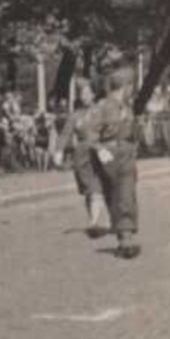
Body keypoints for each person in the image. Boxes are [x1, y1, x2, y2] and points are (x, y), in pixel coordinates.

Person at [90, 66, 143, 259]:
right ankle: (123, 238)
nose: (132, 91)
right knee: (115, 195)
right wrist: (100, 149)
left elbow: (132, 132)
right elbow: (90, 132)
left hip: (127, 153)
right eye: (131, 86)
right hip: (110, 154)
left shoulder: (127, 107)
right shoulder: (103, 106)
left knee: (126, 194)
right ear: (125, 86)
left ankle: (126, 239)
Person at [61, 78, 109, 237]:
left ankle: (94, 222)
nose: (84, 96)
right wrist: (58, 150)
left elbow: (109, 131)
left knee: (96, 189)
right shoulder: (76, 115)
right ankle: (93, 220)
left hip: (98, 154)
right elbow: (66, 133)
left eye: (87, 93)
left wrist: (106, 148)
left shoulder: (101, 112)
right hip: (81, 157)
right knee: (88, 191)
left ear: (94, 94)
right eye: (82, 93)